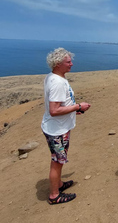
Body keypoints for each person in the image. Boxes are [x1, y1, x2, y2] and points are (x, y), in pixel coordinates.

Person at [41, 48, 91, 205]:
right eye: (68, 62)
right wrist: (77, 107)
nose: (72, 64)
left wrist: (73, 111)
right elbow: (54, 110)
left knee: (60, 160)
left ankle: (59, 184)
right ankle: (54, 195)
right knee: (56, 162)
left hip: (59, 127)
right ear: (57, 64)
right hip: (57, 130)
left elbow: (60, 105)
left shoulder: (54, 77)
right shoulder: (57, 82)